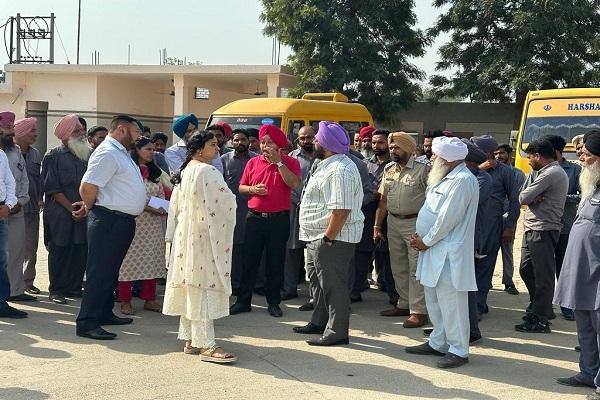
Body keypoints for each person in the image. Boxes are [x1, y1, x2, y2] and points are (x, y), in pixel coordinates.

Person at [163, 131, 237, 363]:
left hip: (186, 236)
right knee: (203, 287)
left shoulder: (185, 171)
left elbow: (174, 208)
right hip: (204, 237)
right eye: (212, 145)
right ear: (198, 149)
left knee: (191, 285)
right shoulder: (207, 171)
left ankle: (190, 340)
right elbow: (226, 203)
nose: (217, 149)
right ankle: (206, 344)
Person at [405, 136, 479, 369]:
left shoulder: (462, 180)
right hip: (432, 248)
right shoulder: (444, 177)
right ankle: (438, 342)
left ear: (446, 159)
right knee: (434, 299)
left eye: (435, 155)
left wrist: (426, 241)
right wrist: (424, 241)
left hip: (448, 252)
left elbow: (448, 218)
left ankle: (458, 349)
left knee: (452, 303)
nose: (431, 158)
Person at [76, 115, 146, 340]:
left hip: (120, 221)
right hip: (108, 220)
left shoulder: (120, 152)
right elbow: (88, 186)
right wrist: (90, 207)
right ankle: (87, 322)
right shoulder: (107, 152)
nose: (139, 137)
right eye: (136, 132)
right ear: (123, 130)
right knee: (99, 273)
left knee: (110, 272)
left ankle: (104, 313)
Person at [293, 121, 364, 346]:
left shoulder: (340, 169)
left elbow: (341, 209)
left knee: (334, 286)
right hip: (317, 236)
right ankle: (319, 321)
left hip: (333, 239)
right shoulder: (327, 164)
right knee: (318, 283)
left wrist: (328, 238)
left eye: (316, 139)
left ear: (325, 143)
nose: (313, 141)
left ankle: (337, 332)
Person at [229, 124, 300, 317]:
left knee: (275, 262)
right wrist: (252, 190)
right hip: (254, 218)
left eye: (269, 142)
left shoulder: (290, 163)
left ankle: (274, 302)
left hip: (279, 220)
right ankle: (243, 301)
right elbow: (241, 188)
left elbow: (294, 184)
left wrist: (279, 163)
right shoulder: (253, 163)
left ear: (279, 145)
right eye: (262, 142)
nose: (265, 145)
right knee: (249, 261)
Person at [554, 130, 600, 399]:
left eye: (588, 155)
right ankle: (588, 372)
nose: (581, 158)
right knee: (585, 326)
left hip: (597, 271)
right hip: (581, 270)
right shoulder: (591, 184)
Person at [375, 132, 429, 328]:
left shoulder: (424, 170)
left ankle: (419, 311)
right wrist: (376, 225)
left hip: (415, 223)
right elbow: (383, 200)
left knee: (415, 268)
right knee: (398, 266)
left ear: (409, 149)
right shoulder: (389, 169)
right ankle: (404, 303)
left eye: (396, 147)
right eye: (390, 148)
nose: (392, 150)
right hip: (393, 222)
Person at [516, 139, 568, 333]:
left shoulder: (552, 173)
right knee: (526, 270)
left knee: (543, 276)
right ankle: (541, 307)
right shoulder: (542, 173)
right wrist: (530, 196)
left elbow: (522, 198)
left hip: (543, 229)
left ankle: (540, 319)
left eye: (530, 157)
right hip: (533, 228)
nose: (528, 161)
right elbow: (523, 194)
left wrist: (530, 197)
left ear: (538, 156)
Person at [117, 137, 170, 315]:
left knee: (152, 260)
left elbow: (163, 193)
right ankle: (125, 300)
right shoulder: (128, 171)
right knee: (128, 262)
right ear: (136, 150)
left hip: (153, 225)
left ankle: (150, 299)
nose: (152, 152)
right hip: (134, 222)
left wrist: (163, 207)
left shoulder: (156, 172)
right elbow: (126, 196)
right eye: (148, 149)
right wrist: (147, 208)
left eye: (153, 149)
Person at [42, 115, 90, 304]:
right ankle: (56, 290)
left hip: (83, 210)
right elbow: (53, 189)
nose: (82, 134)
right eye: (77, 131)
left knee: (80, 249)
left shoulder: (88, 154)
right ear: (65, 135)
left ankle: (74, 287)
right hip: (60, 213)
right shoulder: (52, 156)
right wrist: (73, 209)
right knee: (59, 250)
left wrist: (84, 208)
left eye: (82, 130)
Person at [471, 135, 520, 317]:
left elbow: (515, 200)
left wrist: (509, 226)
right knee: (469, 267)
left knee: (485, 266)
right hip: (469, 225)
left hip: (491, 226)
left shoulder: (505, 172)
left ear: (487, 152)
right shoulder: (469, 169)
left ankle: (478, 306)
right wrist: (480, 169)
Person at [542, 134, 581, 321]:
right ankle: (542, 304)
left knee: (564, 268)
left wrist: (560, 197)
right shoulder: (539, 169)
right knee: (542, 267)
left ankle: (566, 305)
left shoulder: (574, 170)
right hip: (543, 227)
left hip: (565, 227)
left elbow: (583, 195)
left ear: (557, 151)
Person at [352, 129, 393, 304]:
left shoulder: (395, 165)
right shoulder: (365, 163)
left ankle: (392, 291)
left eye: (380, 142)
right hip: (367, 211)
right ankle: (355, 289)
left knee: (389, 254)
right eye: (374, 142)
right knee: (362, 252)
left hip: (390, 213)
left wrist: (380, 193)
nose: (375, 146)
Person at [0, 111, 34, 302]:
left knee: (16, 252)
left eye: (12, 127)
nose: (11, 131)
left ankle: (15, 291)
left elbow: (22, 180)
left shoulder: (15, 151)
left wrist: (19, 201)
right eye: (7, 127)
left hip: (16, 209)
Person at [220, 128, 258, 294]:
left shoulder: (257, 160)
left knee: (252, 248)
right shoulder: (224, 160)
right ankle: (234, 284)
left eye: (243, 140)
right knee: (234, 249)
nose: (240, 143)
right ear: (231, 141)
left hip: (253, 210)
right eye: (236, 140)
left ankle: (254, 284)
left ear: (248, 141)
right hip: (231, 211)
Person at [283, 126, 317, 300]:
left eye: (309, 137)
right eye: (302, 138)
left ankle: (315, 295)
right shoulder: (291, 158)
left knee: (314, 253)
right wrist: (299, 201)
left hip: (317, 212)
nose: (306, 141)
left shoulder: (323, 157)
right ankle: (289, 289)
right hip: (294, 209)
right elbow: (286, 184)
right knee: (292, 250)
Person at [14, 117, 43, 295]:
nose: (35, 134)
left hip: (31, 208)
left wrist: (40, 198)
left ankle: (27, 282)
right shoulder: (8, 152)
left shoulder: (35, 154)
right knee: (12, 249)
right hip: (11, 208)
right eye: (32, 131)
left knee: (30, 248)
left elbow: (38, 180)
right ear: (21, 132)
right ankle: (12, 284)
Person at [0, 141, 27, 318]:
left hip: (1, 210)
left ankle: (1, 303)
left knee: (2, 259)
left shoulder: (1, 155)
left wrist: (8, 205)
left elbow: (9, 183)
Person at [494, 144, 525, 295]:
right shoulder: (491, 172)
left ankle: (508, 282)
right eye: (496, 154)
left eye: (501, 153)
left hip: (508, 219)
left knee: (507, 252)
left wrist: (510, 223)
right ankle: (486, 282)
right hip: (492, 220)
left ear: (509, 155)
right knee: (489, 252)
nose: (498, 156)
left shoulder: (518, 174)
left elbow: (516, 199)